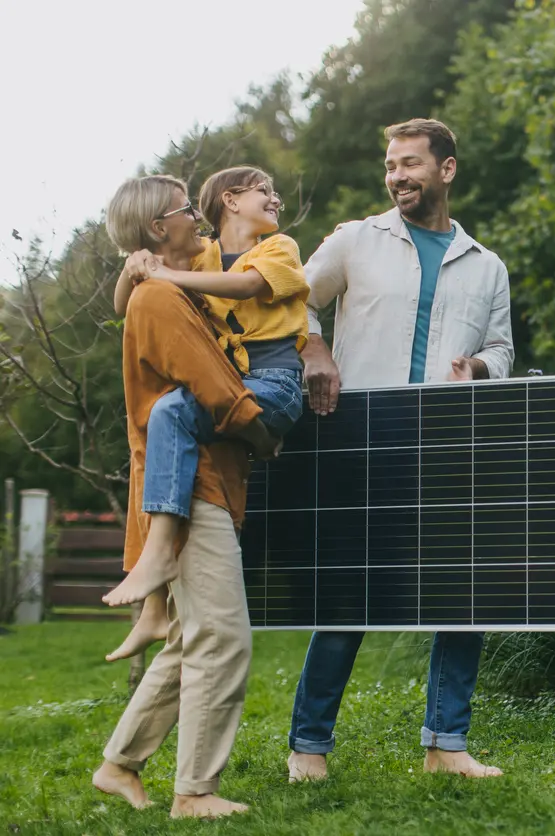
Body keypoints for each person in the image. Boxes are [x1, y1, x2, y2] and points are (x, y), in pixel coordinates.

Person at [286, 118, 513, 782]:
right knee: (350, 593)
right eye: (391, 166)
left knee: (463, 592)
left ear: (446, 169)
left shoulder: (487, 265)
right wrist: (316, 346)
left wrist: (480, 368)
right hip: (362, 436)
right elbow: (290, 299)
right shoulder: (357, 240)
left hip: (446, 443)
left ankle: (447, 744)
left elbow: (502, 350)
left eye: (410, 164)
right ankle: (309, 747)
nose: (397, 177)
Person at [91, 174, 272, 818]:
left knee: (192, 637)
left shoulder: (171, 282)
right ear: (156, 229)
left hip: (201, 482)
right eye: (184, 210)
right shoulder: (161, 302)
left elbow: (209, 271)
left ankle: (120, 764)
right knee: (223, 638)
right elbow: (217, 389)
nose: (196, 217)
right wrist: (265, 429)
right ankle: (194, 792)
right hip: (192, 488)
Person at [102, 166, 308, 662]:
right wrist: (134, 270)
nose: (276, 200)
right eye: (266, 191)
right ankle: (155, 600)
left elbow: (245, 287)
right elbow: (125, 306)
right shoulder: (206, 252)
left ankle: (156, 561)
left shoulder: (279, 249)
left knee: (169, 411)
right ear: (232, 200)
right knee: (152, 437)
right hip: (235, 383)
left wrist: (165, 274)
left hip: (274, 385)